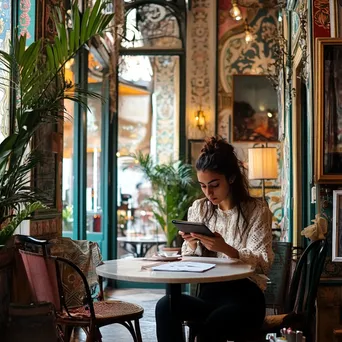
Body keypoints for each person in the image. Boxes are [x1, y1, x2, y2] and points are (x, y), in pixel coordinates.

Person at [155, 136, 274, 342]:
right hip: (210, 294)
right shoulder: (199, 209)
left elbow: (263, 263)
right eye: (202, 186)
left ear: (231, 178)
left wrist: (227, 249)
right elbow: (190, 259)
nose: (208, 193)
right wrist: (191, 244)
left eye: (214, 185)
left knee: (212, 326)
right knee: (165, 306)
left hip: (245, 297)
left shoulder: (257, 210)